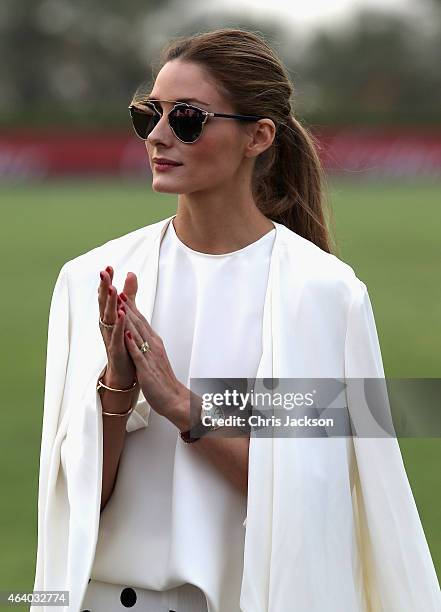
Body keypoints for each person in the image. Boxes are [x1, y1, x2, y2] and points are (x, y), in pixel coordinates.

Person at [32, 28, 441, 612]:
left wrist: (182, 406)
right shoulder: (89, 280)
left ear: (259, 136)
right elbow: (71, 506)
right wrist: (118, 390)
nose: (158, 135)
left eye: (189, 118)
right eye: (149, 114)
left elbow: (311, 509)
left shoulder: (324, 296)